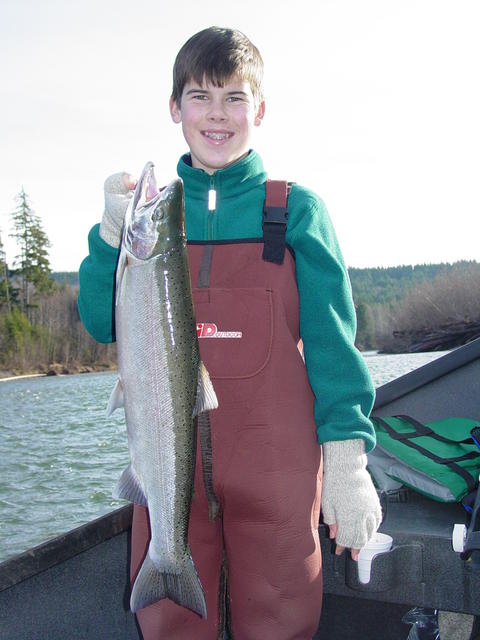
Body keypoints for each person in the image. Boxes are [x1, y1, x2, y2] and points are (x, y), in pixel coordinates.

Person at [78, 26, 381, 640]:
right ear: (174, 108)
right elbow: (101, 320)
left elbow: (332, 343)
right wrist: (110, 238)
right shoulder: (151, 216)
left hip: (277, 475)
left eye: (235, 98)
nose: (218, 115)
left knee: (281, 620)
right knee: (171, 625)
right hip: (168, 478)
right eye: (200, 97)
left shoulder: (295, 210)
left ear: (260, 110)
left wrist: (349, 460)